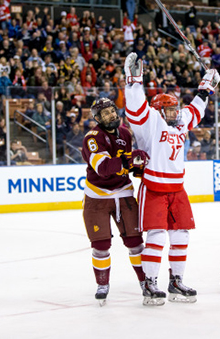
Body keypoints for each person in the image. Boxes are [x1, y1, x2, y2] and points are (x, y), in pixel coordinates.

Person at [124, 52, 220, 305]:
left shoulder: (179, 123)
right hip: (154, 188)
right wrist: (134, 81)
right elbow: (136, 108)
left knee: (181, 235)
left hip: (177, 189)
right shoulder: (151, 122)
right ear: (159, 110)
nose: (176, 114)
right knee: (156, 235)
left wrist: (206, 87)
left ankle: (176, 281)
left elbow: (195, 110)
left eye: (176, 109)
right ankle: (150, 284)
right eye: (170, 110)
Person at [81, 97, 150, 306]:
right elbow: (102, 168)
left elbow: (131, 166)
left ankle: (145, 282)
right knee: (101, 245)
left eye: (112, 110)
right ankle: (102, 284)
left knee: (135, 242)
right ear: (98, 119)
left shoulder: (126, 133)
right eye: (106, 113)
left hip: (124, 193)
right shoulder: (92, 138)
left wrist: (139, 166)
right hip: (97, 197)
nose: (111, 115)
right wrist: (130, 160)